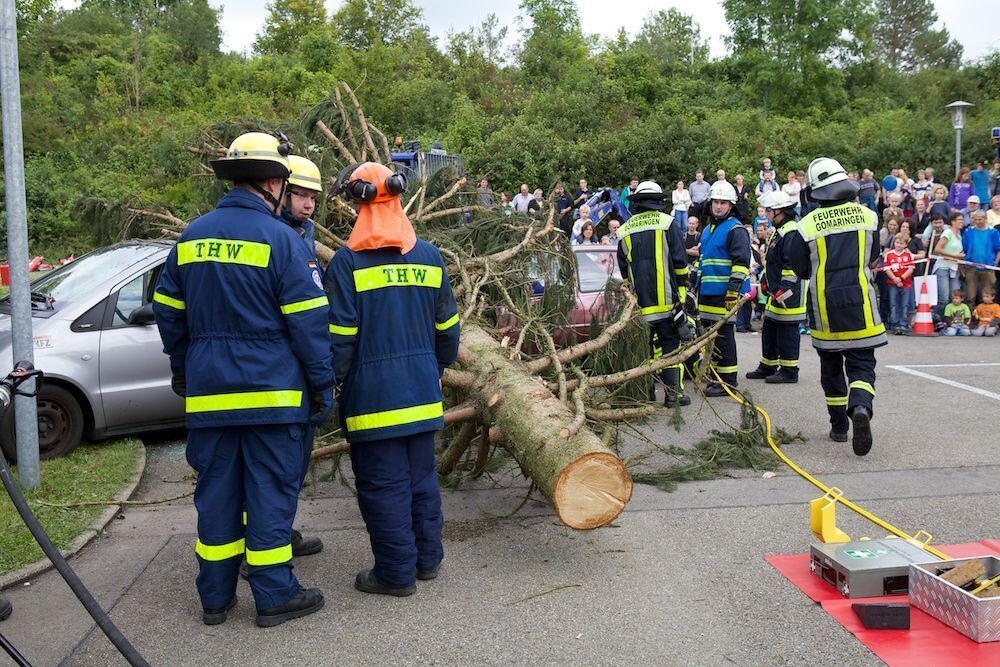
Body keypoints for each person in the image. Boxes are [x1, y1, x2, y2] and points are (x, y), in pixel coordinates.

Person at [153, 132, 335, 627]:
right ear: (275, 182)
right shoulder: (283, 241)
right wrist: (323, 386)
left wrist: (186, 366)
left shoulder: (191, 238)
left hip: (209, 394)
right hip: (273, 397)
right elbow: (310, 323)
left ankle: (215, 597)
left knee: (216, 495)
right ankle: (275, 595)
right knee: (271, 492)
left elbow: (168, 313)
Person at [325, 162, 460, 597]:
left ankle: (396, 574)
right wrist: (434, 371)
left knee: (384, 488)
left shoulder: (348, 264)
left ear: (359, 203)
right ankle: (428, 561)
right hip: (423, 393)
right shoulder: (430, 255)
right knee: (422, 482)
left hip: (372, 400)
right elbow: (448, 329)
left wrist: (333, 387)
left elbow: (340, 340)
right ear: (398, 197)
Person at [787, 157, 887, 456]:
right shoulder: (869, 217)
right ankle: (861, 407)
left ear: (816, 191)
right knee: (862, 364)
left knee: (831, 367)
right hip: (861, 305)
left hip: (824, 308)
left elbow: (800, 268)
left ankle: (839, 427)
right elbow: (873, 256)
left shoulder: (805, 226)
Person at [616, 181, 691, 407]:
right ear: (658, 201)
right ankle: (673, 395)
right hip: (667, 302)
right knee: (671, 348)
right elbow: (680, 262)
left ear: (637, 203)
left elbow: (623, 270)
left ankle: (645, 394)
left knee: (644, 352)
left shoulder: (624, 229)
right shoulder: (668, 223)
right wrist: (683, 290)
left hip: (638, 306)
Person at [696, 180, 751, 396]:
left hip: (724, 295)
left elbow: (741, 264)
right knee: (710, 338)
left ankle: (728, 382)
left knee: (724, 338)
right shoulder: (708, 229)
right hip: (707, 294)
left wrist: (732, 290)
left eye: (723, 202)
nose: (718, 206)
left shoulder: (735, 229)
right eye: (715, 202)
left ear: (731, 205)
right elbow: (703, 262)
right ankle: (715, 376)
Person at [746, 191, 806, 383]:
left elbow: (791, 264)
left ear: (778, 211)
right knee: (771, 328)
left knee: (787, 330)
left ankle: (789, 371)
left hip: (788, 293)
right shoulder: (779, 231)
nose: (766, 214)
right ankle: (768, 365)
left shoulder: (791, 232)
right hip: (776, 291)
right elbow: (773, 261)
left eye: (769, 211)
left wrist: (784, 288)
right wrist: (765, 281)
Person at [962, 210, 1000, 305]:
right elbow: (964, 248)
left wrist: (995, 262)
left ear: (985, 219)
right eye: (976, 219)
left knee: (988, 294)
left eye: (980, 219)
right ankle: (970, 316)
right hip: (971, 266)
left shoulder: (993, 232)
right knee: (971, 295)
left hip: (988, 267)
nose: (978, 221)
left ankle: (988, 316)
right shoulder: (968, 232)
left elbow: (998, 249)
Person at [932, 213, 966, 313]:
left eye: (962, 220)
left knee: (955, 296)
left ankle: (951, 320)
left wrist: (961, 270)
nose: (962, 222)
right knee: (944, 298)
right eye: (959, 219)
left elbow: (959, 255)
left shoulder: (959, 237)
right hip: (943, 267)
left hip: (954, 269)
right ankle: (939, 320)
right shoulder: (947, 232)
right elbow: (937, 249)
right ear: (953, 222)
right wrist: (954, 256)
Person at [884, 235, 916, 335]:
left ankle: (904, 324)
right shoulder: (889, 255)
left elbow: (910, 269)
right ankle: (895, 324)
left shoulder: (908, 255)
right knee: (894, 304)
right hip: (892, 284)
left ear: (905, 245)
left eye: (901, 243)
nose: (898, 245)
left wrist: (901, 278)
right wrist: (895, 279)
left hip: (906, 284)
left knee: (905, 304)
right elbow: (887, 269)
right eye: (897, 242)